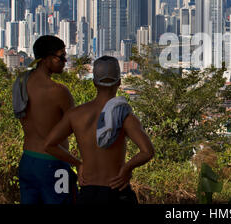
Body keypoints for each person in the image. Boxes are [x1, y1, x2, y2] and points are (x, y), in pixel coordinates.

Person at [45, 56, 154, 204]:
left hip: (88, 192)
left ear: (94, 83)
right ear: (120, 82)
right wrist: (127, 168)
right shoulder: (125, 117)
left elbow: (49, 145)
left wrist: (78, 164)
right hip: (116, 189)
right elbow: (147, 151)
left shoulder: (75, 115)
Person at [13, 35, 77, 204]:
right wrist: (80, 163)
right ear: (48, 59)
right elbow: (78, 126)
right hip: (54, 165)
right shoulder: (59, 91)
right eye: (61, 56)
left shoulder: (20, 82)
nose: (65, 60)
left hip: (27, 161)